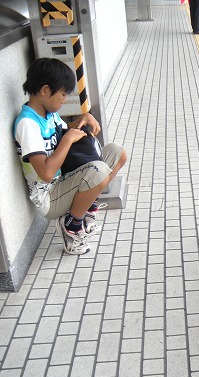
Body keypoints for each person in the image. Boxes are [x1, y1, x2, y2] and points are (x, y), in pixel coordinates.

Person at [13, 57, 127, 255]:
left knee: (118, 153)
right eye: (63, 94)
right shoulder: (27, 124)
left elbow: (66, 132)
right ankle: (71, 226)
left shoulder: (48, 114)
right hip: (50, 196)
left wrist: (83, 119)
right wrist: (67, 139)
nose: (64, 100)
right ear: (45, 90)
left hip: (65, 178)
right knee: (98, 171)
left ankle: (87, 209)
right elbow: (46, 173)